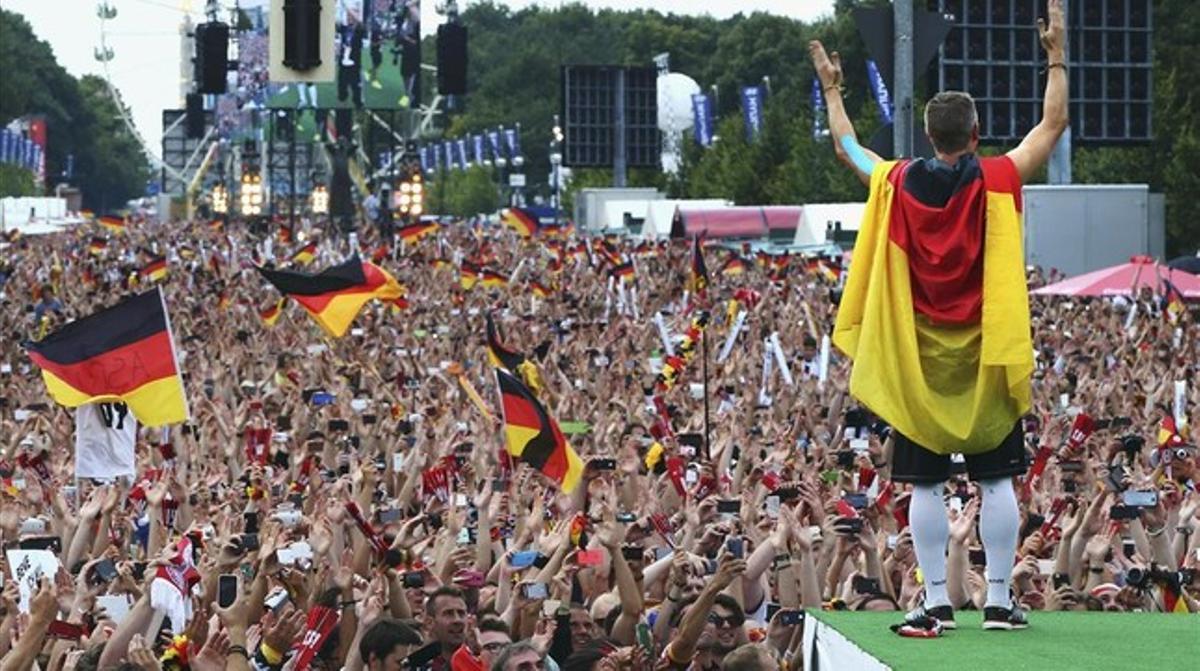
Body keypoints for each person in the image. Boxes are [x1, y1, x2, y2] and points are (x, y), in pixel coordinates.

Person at [809, 0, 1069, 632]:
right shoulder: (1001, 176)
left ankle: (933, 603)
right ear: (975, 135)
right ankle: (1002, 601)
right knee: (998, 476)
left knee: (924, 487)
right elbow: (1052, 124)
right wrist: (1056, 52)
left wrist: (833, 89)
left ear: (929, 136)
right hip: (985, 355)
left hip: (918, 362)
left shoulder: (895, 181)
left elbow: (849, 148)